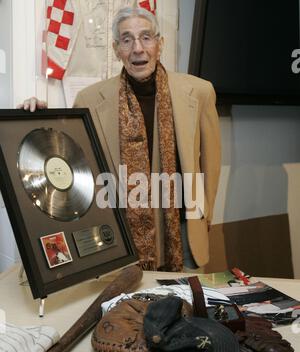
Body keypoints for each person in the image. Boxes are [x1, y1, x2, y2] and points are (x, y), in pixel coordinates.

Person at [19, 7, 221, 272]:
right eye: (127, 40)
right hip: (120, 240)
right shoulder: (89, 100)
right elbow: (69, 162)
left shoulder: (200, 92)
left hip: (183, 237)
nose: (138, 48)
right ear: (116, 49)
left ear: (160, 44)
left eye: (146, 37)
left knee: (184, 311)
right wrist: (39, 118)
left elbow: (211, 164)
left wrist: (203, 219)